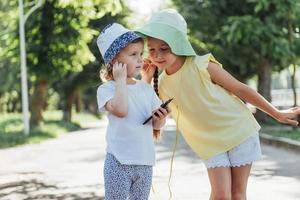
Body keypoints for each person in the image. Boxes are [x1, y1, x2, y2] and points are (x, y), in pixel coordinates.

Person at [137, 9, 300, 200]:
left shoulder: (202, 64)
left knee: (237, 195)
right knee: (221, 195)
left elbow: (241, 89)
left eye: (164, 48)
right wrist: (145, 79)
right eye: (152, 50)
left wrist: (276, 113)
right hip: (209, 144)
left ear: (178, 42)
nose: (157, 55)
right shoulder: (161, 84)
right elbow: (149, 117)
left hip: (238, 131)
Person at [96, 23, 169, 200]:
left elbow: (156, 125)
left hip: (144, 162)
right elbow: (121, 110)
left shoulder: (145, 89)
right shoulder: (107, 89)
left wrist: (160, 119)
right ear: (115, 60)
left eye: (141, 54)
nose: (140, 59)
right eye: (133, 54)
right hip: (119, 162)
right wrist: (120, 80)